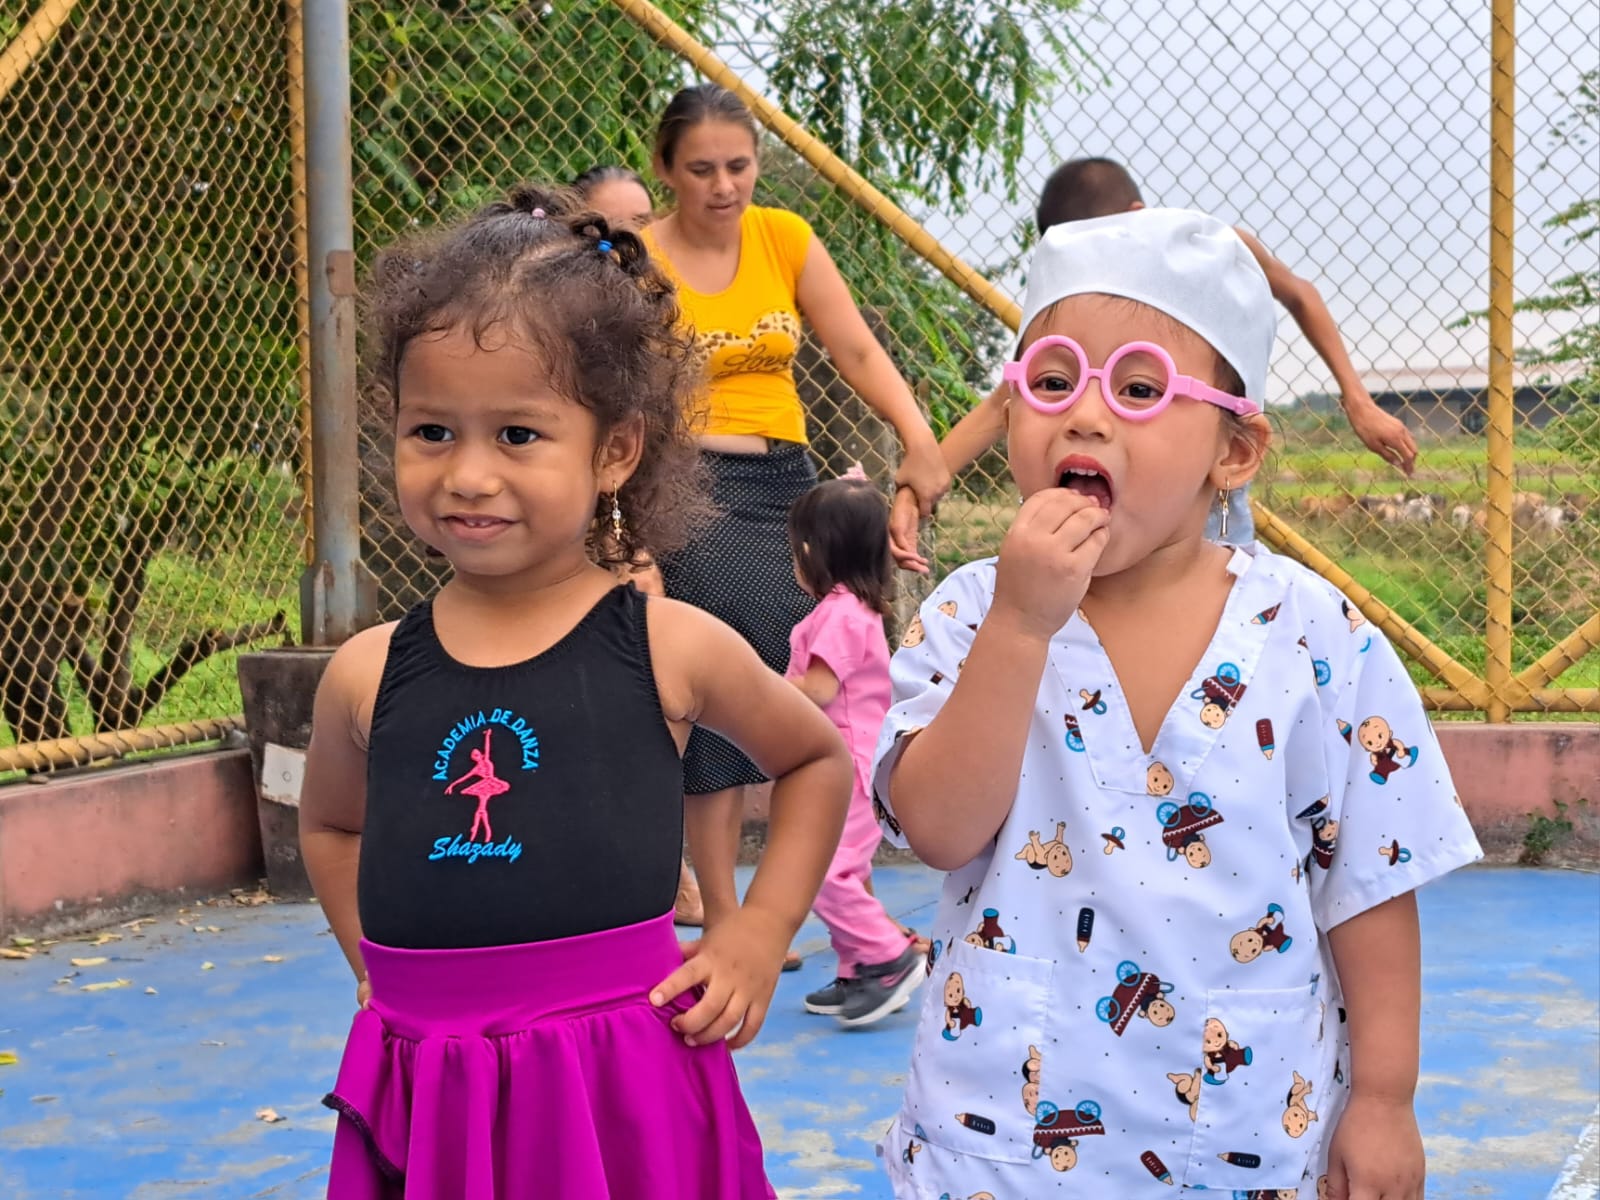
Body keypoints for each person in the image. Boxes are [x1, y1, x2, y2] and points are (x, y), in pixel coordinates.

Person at [870, 209, 1480, 1198]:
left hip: (1243, 1136)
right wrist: (1020, 628)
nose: (1085, 416)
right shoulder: (969, 613)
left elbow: (1367, 881)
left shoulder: (1313, 637)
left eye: (1140, 388)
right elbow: (937, 829)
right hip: (1004, 1142)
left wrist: (1383, 1097)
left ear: (1232, 453)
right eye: (1052, 380)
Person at [297, 183, 853, 1198]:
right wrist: (373, 969)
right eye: (432, 431)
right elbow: (332, 826)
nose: (468, 474)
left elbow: (817, 758)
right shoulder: (364, 673)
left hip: (620, 1086)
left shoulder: (671, 646)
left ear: (614, 451)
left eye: (517, 434)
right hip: (432, 1084)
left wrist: (760, 930)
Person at [641, 83, 949, 943]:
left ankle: (848, 912)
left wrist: (918, 437)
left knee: (831, 688)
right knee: (719, 690)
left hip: (788, 487)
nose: (724, 186)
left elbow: (855, 347)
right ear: (665, 168)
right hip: (688, 490)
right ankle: (726, 918)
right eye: (701, 169)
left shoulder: (784, 237)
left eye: (738, 166)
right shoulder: (639, 258)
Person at [893, 157, 1419, 556]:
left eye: (1140, 389)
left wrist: (1358, 401)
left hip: (1206, 505)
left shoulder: (1216, 252)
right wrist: (923, 484)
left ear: (1137, 217)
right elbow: (1003, 401)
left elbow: (1301, 294)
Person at [573, 161, 705, 928]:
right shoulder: (560, 326)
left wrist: (632, 547)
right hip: (575, 542)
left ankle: (667, 867)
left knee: (647, 689)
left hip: (628, 530)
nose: (630, 240)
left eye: (642, 224)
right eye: (612, 226)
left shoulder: (656, 327)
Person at [782, 469, 926, 1026]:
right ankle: (857, 968)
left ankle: (888, 956)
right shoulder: (847, 608)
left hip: (848, 767)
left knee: (825, 870)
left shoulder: (841, 613)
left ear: (812, 551)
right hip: (843, 764)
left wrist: (753, 685)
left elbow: (818, 690)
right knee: (846, 870)